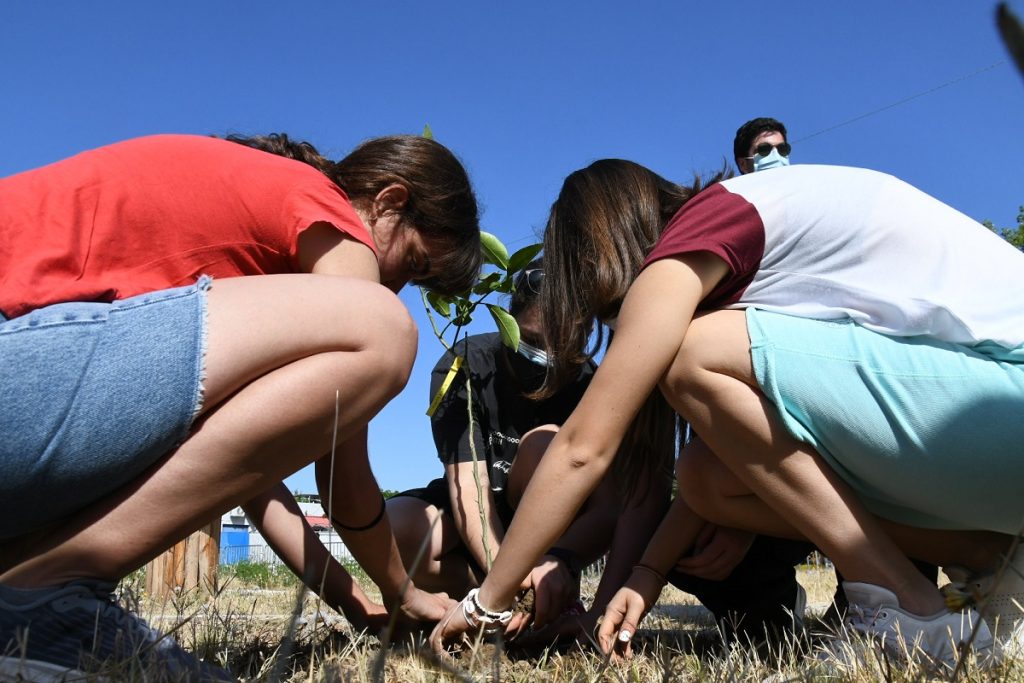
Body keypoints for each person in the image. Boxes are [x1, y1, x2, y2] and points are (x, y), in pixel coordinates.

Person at [431, 159, 1024, 670]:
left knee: (692, 355)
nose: (615, 323)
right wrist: (644, 576)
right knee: (706, 478)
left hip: (1004, 397)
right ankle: (987, 555)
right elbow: (737, 456)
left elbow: (585, 446)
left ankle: (902, 606)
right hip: (984, 429)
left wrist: (488, 600)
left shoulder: (706, 228)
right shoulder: (747, 242)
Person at [0, 132, 481, 681]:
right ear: (389, 201)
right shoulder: (321, 206)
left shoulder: (252, 233)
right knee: (381, 330)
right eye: (412, 264)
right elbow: (341, 479)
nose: (395, 286)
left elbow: (249, 477)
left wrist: (359, 606)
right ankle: (47, 591)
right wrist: (404, 592)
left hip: (26, 387)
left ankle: (26, 597)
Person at [387, 261, 671, 641]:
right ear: (510, 320)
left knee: (545, 443)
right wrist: (509, 580)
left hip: (552, 534)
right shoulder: (467, 365)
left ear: (586, 333)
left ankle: (543, 592)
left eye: (561, 345)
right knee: (398, 527)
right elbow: (470, 491)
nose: (543, 356)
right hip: (483, 516)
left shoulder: (594, 386)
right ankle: (506, 597)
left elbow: (608, 509)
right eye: (533, 341)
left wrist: (561, 559)